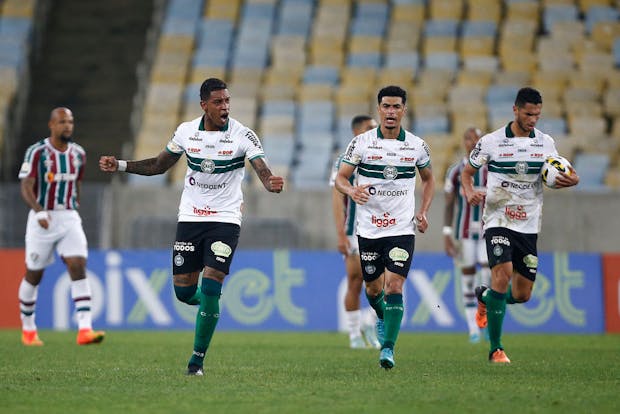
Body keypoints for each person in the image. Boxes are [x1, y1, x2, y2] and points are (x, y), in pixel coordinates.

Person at [99, 78, 284, 376]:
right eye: (218, 102)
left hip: (225, 219)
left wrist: (269, 182)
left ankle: (196, 361)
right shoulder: (186, 132)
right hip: (191, 218)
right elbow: (159, 166)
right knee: (184, 293)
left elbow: (261, 168)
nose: (225, 107)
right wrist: (120, 165)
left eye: (227, 101)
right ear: (204, 106)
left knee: (211, 282)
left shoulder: (243, 134)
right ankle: (210, 307)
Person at [461, 87, 579, 363]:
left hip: (528, 224)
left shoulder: (546, 143)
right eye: (528, 114)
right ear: (515, 110)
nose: (533, 119)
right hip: (498, 219)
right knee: (501, 274)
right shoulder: (491, 142)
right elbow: (468, 174)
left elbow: (562, 172)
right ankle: (496, 349)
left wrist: (572, 180)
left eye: (537, 114)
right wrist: (469, 191)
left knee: (523, 294)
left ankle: (486, 298)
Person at [335, 85, 435, 369]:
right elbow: (342, 178)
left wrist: (424, 211)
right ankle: (381, 317)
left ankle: (387, 349)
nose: (391, 112)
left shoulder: (416, 145)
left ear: (404, 110)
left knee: (395, 286)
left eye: (396, 107)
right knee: (373, 290)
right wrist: (352, 191)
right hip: (368, 229)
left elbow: (429, 179)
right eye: (386, 107)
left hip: (401, 228)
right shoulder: (361, 143)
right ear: (379, 109)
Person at [18, 107, 105, 346]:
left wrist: (73, 207)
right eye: (62, 122)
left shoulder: (78, 154)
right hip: (42, 218)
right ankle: (28, 330)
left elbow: (76, 183)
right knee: (34, 274)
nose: (67, 126)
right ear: (51, 125)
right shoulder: (37, 152)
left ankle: (85, 329)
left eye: (70, 121)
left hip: (68, 216)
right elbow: (26, 186)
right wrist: (38, 212)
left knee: (78, 264)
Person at [329, 115, 380, 349]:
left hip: (381, 229)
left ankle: (369, 322)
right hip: (353, 231)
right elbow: (337, 201)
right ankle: (354, 335)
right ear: (357, 132)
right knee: (355, 281)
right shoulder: (343, 161)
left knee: (384, 282)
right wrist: (340, 234)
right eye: (370, 127)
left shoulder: (382, 156)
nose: (375, 130)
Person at [443, 127, 491, 344]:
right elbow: (449, 204)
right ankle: (473, 328)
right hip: (464, 233)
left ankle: (485, 319)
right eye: (468, 138)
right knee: (469, 277)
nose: (472, 142)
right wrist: (446, 233)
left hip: (488, 232)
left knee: (488, 273)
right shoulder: (455, 171)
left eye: (477, 139)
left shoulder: (492, 170)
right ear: (463, 141)